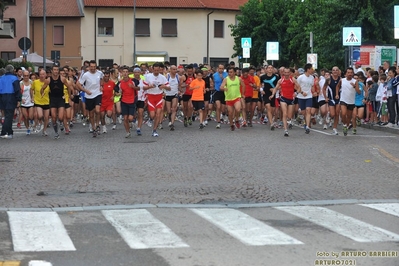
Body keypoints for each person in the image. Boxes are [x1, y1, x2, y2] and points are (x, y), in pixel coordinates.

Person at [41, 64, 72, 139]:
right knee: (54, 117)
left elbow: (69, 87)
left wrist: (69, 96)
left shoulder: (62, 79)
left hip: (61, 99)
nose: (56, 71)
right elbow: (42, 88)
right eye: (54, 70)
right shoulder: (48, 80)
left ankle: (61, 123)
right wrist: (42, 93)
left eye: (57, 70)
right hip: (53, 99)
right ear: (52, 71)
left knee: (61, 117)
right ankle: (56, 132)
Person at [76, 60, 104, 138]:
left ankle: (98, 124)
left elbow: (102, 79)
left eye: (94, 67)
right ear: (89, 67)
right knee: (91, 114)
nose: (93, 68)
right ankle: (93, 128)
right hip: (89, 95)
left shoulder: (100, 73)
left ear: (96, 67)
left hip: (98, 93)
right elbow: (78, 84)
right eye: (91, 67)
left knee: (98, 110)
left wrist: (101, 86)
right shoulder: (86, 75)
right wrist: (85, 90)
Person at [270, 67, 301, 136]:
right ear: (283, 73)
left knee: (289, 116)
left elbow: (299, 88)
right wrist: (272, 95)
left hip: (291, 99)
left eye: (288, 72)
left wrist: (296, 93)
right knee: (284, 113)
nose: (286, 74)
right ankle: (285, 130)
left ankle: (289, 120)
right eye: (285, 72)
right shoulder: (281, 80)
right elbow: (276, 88)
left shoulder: (292, 79)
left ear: (290, 73)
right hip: (283, 98)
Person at [143, 62, 170, 137]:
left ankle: (154, 130)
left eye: (158, 70)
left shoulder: (162, 77)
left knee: (158, 114)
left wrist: (164, 86)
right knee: (152, 115)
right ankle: (150, 119)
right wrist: (149, 86)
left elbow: (169, 87)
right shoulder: (148, 76)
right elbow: (144, 87)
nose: (156, 72)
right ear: (152, 69)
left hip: (159, 97)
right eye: (155, 70)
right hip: (151, 96)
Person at [220, 67, 245, 131]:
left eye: (231, 72)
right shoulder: (226, 79)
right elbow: (221, 87)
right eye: (229, 72)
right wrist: (224, 88)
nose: (230, 73)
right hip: (229, 98)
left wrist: (242, 94)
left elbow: (243, 85)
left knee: (238, 109)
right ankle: (231, 124)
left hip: (237, 97)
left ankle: (236, 120)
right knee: (230, 113)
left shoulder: (239, 79)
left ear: (234, 73)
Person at [337, 67, 360, 136]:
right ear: (346, 74)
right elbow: (337, 87)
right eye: (348, 73)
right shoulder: (342, 80)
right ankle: (344, 125)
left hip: (351, 101)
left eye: (351, 73)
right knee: (343, 113)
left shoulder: (355, 81)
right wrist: (336, 94)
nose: (350, 74)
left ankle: (347, 125)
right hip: (343, 99)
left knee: (349, 116)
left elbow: (358, 92)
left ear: (353, 73)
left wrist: (354, 86)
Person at [0, 65, 21, 139]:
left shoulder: (1, 78)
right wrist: (18, 99)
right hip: (10, 97)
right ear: (12, 70)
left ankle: (9, 131)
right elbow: (17, 90)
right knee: (9, 116)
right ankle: (4, 132)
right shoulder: (14, 78)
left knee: (7, 115)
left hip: (2, 97)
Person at [119, 66, 139, 138]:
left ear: (128, 73)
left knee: (130, 118)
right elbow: (117, 91)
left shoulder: (134, 81)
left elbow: (139, 88)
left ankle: (133, 120)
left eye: (126, 72)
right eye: (123, 72)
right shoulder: (120, 82)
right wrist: (117, 93)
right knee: (125, 118)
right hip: (124, 101)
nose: (125, 73)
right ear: (121, 73)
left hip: (132, 101)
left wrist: (133, 87)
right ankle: (128, 132)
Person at [260, 65, 280, 130]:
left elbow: (279, 86)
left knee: (272, 110)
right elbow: (259, 85)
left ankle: (270, 118)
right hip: (266, 94)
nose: (270, 69)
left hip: (273, 94)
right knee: (268, 107)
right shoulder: (262, 77)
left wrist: (274, 89)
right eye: (269, 68)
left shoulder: (276, 77)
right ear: (266, 69)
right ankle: (271, 123)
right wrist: (261, 90)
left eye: (271, 68)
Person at [297, 63, 315, 134]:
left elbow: (312, 86)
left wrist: (314, 92)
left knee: (308, 110)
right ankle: (305, 121)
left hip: (309, 96)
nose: (312, 70)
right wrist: (302, 92)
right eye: (311, 69)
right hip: (301, 96)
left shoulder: (312, 77)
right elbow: (296, 87)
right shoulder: (301, 77)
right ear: (308, 69)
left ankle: (307, 127)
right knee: (304, 112)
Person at [323, 66, 341, 135]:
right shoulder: (329, 80)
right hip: (331, 99)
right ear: (332, 72)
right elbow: (324, 89)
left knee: (337, 113)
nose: (335, 71)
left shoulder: (341, 79)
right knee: (333, 114)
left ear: (338, 71)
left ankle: (334, 128)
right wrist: (326, 97)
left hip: (339, 99)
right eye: (334, 70)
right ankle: (329, 116)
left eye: (336, 70)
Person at [32, 70, 50, 136]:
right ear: (39, 75)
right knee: (40, 115)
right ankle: (40, 122)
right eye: (40, 74)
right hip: (38, 101)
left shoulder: (48, 82)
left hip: (46, 101)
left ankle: (44, 130)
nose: (42, 76)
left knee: (46, 117)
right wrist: (32, 97)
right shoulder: (35, 82)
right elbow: (31, 89)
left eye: (43, 74)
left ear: (46, 75)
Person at [165, 65, 181, 131]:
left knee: (174, 109)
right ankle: (170, 118)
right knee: (169, 111)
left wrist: (180, 90)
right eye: (173, 69)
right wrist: (166, 88)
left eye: (175, 69)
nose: (175, 71)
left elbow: (179, 85)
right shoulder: (167, 76)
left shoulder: (178, 76)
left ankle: (172, 123)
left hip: (175, 94)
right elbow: (163, 84)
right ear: (170, 70)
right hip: (168, 94)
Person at [213, 64, 228, 128]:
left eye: (222, 68)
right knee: (218, 106)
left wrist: (223, 78)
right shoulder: (214, 75)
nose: (221, 70)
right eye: (220, 68)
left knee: (223, 108)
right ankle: (218, 122)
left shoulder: (226, 75)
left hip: (224, 92)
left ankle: (224, 114)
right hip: (217, 91)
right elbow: (213, 83)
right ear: (218, 68)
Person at [20, 70, 34, 135]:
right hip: (23, 102)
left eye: (27, 76)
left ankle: (31, 121)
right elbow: (19, 93)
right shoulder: (20, 83)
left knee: (30, 116)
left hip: (30, 101)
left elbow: (33, 91)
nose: (26, 77)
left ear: (29, 76)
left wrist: (33, 98)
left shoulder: (31, 82)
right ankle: (28, 128)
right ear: (23, 76)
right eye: (25, 76)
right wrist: (21, 99)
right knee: (25, 117)